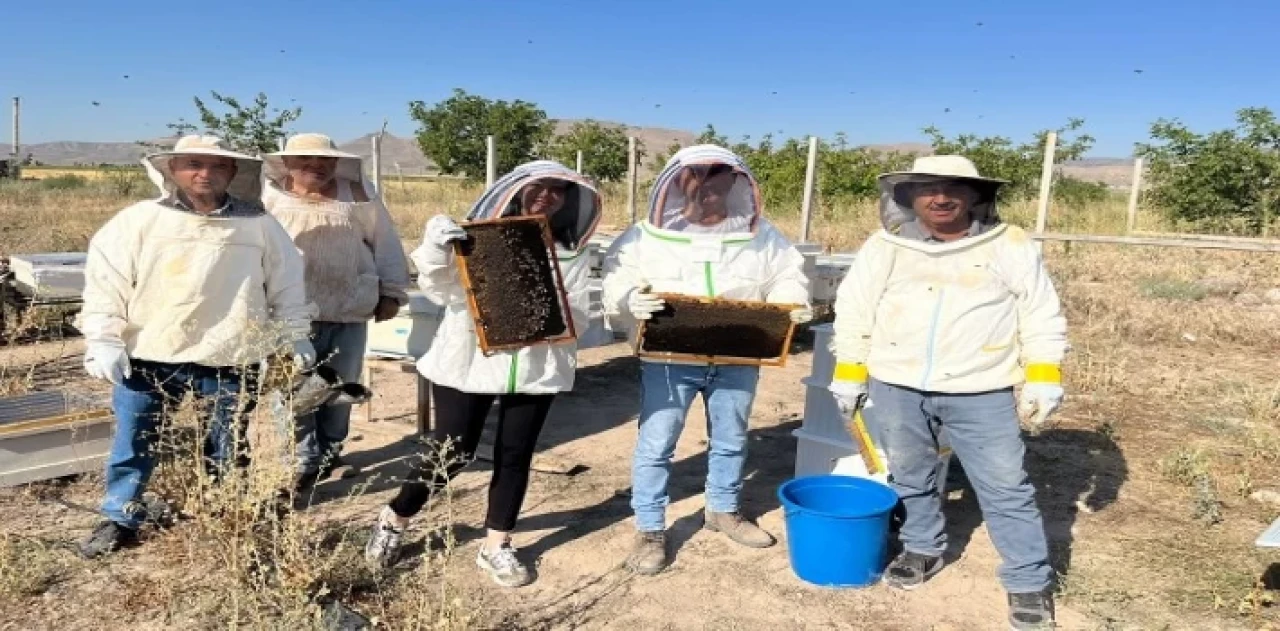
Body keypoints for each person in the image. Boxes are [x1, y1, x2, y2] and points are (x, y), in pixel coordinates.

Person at [827, 156, 1067, 630]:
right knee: (910, 474)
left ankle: (1027, 580)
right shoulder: (885, 247)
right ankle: (921, 547)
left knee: (1005, 487)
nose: (940, 198)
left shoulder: (1010, 245)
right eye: (928, 189)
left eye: (953, 188)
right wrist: (850, 371)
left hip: (981, 387)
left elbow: (1039, 311)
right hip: (896, 383)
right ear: (908, 197)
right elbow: (855, 309)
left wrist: (1044, 373)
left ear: (976, 196)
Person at [364, 161, 601, 587]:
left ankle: (497, 545)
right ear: (516, 190)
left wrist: (548, 303)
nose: (547, 196)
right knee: (450, 453)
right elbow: (442, 291)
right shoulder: (479, 236)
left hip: (537, 368)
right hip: (468, 363)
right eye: (539, 187)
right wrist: (437, 249)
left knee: (515, 455)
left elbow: (579, 318)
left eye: (558, 190)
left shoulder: (572, 251)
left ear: (571, 200)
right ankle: (395, 518)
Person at [78, 135, 317, 558]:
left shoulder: (259, 224)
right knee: (135, 440)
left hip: (230, 351)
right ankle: (119, 517)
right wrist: (103, 337)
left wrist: (294, 332)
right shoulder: (139, 221)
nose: (204, 173)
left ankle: (222, 514)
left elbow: (286, 280)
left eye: (216, 166)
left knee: (226, 441)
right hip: (149, 350)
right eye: (193, 164)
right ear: (173, 169)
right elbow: (106, 280)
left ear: (232, 172)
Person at [601, 145, 812, 575]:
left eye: (717, 184)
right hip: (668, 356)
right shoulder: (645, 235)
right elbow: (616, 278)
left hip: (739, 354)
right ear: (678, 184)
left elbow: (787, 274)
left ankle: (723, 509)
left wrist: (792, 301)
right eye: (697, 182)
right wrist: (628, 300)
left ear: (735, 185)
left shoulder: (761, 235)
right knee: (657, 443)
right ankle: (650, 528)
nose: (707, 191)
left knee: (732, 438)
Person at [263, 133, 411, 488]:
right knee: (292, 390)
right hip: (288, 309)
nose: (316, 166)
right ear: (286, 164)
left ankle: (330, 455)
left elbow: (385, 242)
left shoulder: (359, 194)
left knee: (338, 387)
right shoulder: (268, 197)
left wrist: (391, 292)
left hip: (349, 303)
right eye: (305, 160)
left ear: (336, 162)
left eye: (324, 160)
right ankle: (300, 460)